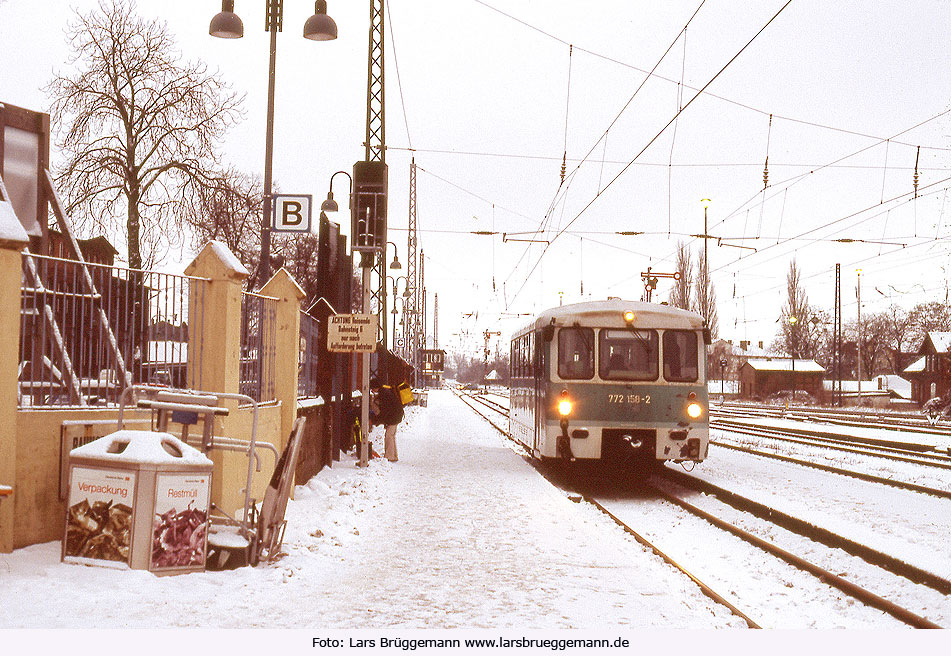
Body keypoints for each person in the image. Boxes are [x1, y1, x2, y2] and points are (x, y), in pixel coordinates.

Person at [370, 378, 404, 462]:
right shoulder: (385, 391)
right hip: (396, 415)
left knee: (389, 436)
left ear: (375, 387)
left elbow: (385, 410)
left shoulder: (384, 394)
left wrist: (376, 421)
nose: (372, 390)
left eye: (372, 388)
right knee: (391, 435)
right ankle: (394, 455)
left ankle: (389, 456)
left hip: (394, 416)